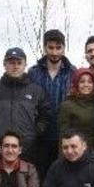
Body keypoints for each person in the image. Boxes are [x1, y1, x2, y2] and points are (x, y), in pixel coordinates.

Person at [0, 47, 50, 163]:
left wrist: (33, 133)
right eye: (11, 63)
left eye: (19, 63)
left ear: (25, 65)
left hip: (28, 152)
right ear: (4, 64)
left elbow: (45, 116)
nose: (15, 66)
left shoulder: (36, 91)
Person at [28, 29, 77, 177]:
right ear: (45, 48)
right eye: (50, 47)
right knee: (40, 176)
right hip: (39, 135)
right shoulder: (33, 73)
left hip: (65, 134)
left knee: (63, 177)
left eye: (58, 48)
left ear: (64, 48)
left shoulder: (73, 72)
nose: (54, 52)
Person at [58, 68, 94, 151]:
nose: (86, 85)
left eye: (90, 82)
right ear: (76, 84)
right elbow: (63, 135)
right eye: (82, 81)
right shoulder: (67, 105)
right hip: (76, 153)